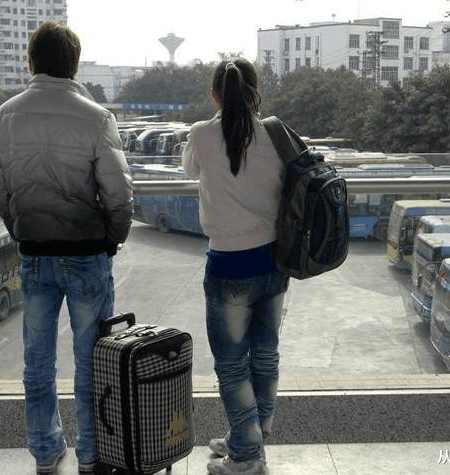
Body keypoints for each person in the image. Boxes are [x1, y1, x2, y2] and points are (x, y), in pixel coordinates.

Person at [0, 21, 133, 475]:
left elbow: (0, 193)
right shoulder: (97, 118)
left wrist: (22, 232)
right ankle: (91, 454)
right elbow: (119, 195)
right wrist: (113, 238)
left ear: (31, 60)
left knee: (37, 362)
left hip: (34, 254)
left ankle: (46, 452)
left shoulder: (4, 117)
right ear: (74, 63)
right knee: (91, 362)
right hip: (87, 254)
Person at [182, 58, 288, 475]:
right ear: (256, 93)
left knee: (231, 365)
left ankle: (246, 454)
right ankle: (252, 434)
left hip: (229, 265)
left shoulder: (202, 134)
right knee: (265, 355)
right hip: (275, 263)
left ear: (215, 95)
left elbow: (189, 169)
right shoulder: (276, 134)